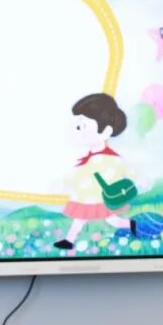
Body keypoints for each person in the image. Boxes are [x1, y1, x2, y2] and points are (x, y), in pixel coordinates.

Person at [55, 92, 137, 250]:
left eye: (80, 127)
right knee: (86, 219)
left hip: (97, 196)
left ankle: (130, 225)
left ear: (106, 131)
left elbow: (122, 169)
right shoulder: (92, 156)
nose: (75, 131)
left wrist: (67, 182)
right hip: (88, 195)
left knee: (105, 219)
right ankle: (69, 240)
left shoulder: (106, 157)